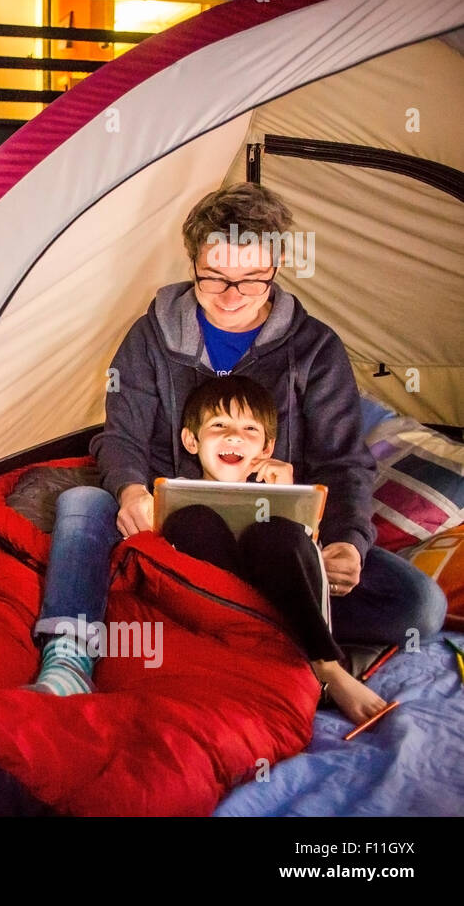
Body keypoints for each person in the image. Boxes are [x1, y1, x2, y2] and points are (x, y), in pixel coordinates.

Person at [27, 182, 446, 698]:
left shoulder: (315, 348)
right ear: (192, 262)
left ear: (277, 266)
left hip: (278, 542)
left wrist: (346, 542)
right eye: (215, 278)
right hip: (172, 532)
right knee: (82, 502)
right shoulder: (150, 337)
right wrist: (132, 491)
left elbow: (343, 463)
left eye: (251, 280)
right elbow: (121, 437)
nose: (232, 297)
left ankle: (245, 620)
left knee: (420, 606)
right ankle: (68, 656)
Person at [158, 376, 387, 723]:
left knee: (275, 532)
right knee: (192, 521)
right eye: (218, 425)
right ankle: (257, 663)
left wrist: (288, 502)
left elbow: (308, 564)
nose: (233, 436)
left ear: (266, 449)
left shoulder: (284, 493)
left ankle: (326, 666)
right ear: (191, 440)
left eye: (250, 429)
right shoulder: (179, 502)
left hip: (289, 615)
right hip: (221, 628)